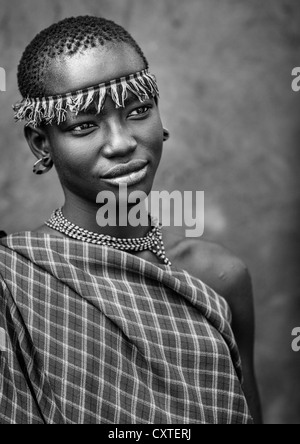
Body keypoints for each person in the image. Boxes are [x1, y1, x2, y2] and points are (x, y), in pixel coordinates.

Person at [0, 15, 261, 424]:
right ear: (40, 144)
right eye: (84, 126)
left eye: (139, 111)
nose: (122, 143)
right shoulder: (12, 282)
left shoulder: (220, 276)